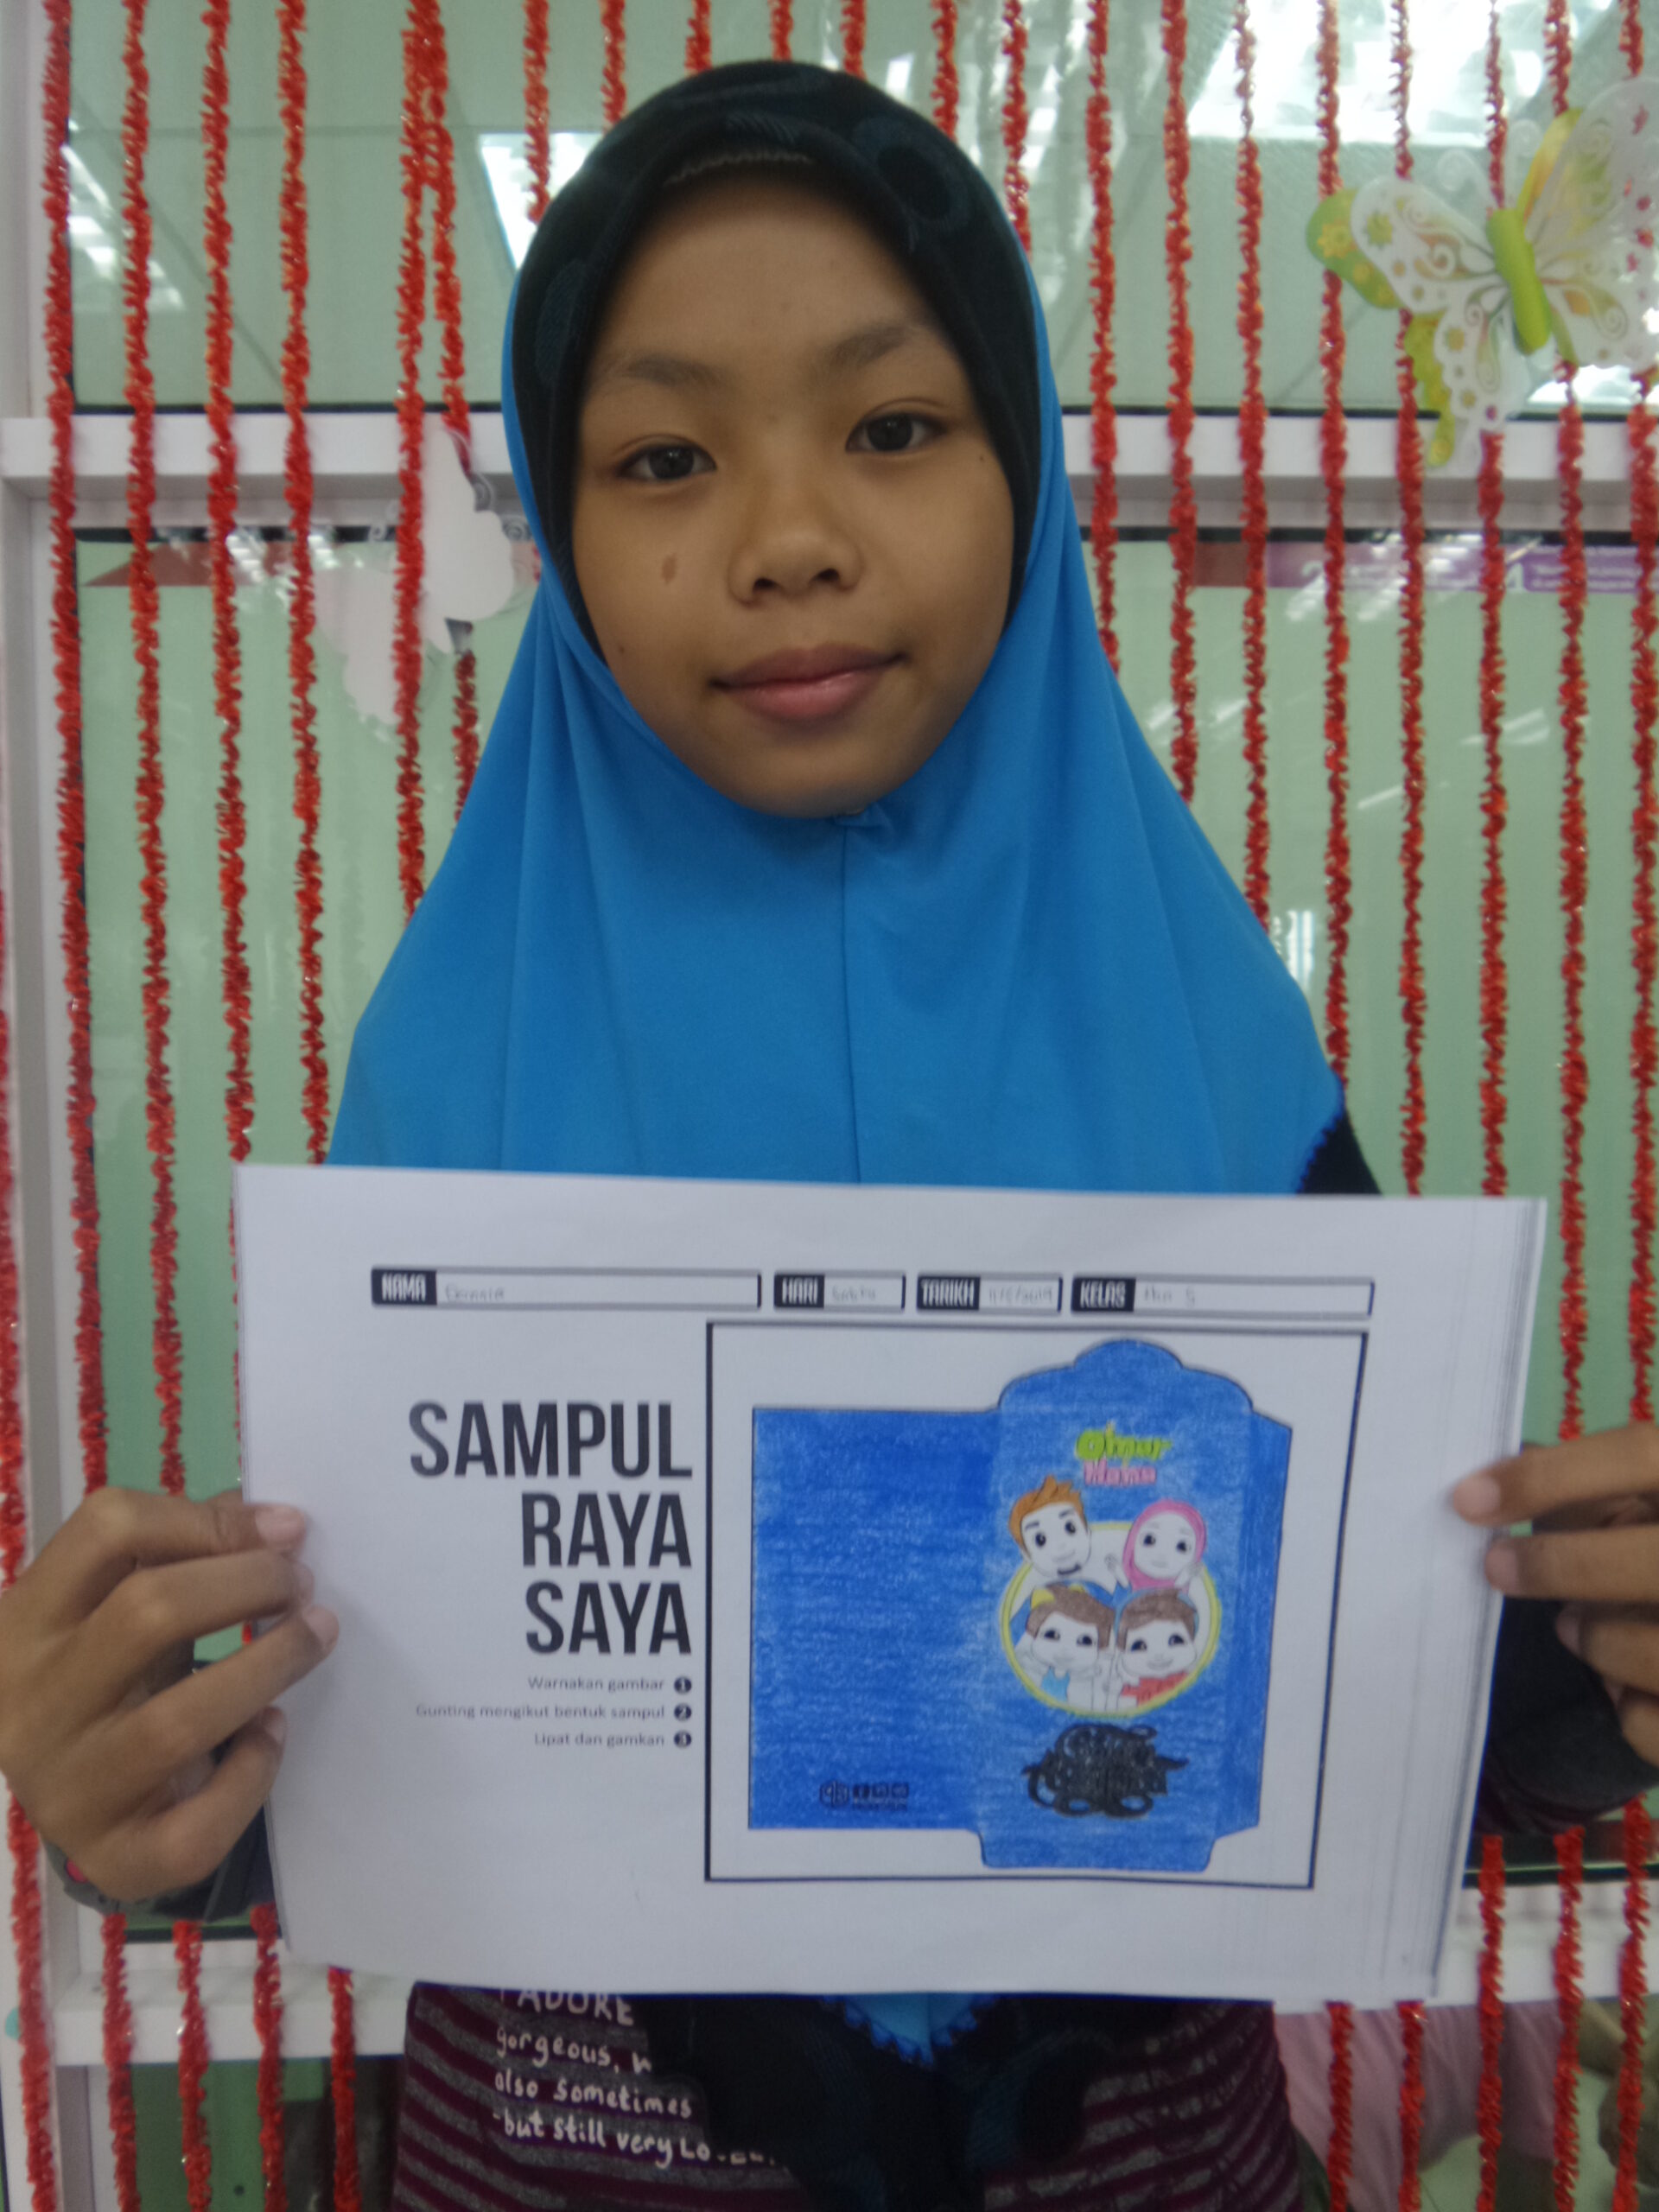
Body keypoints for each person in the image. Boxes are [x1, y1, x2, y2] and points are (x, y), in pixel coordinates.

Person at [1, 58, 1657, 2212]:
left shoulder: (1216, 1049)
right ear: (562, 524)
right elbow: (356, 1754)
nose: (788, 538)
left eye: (893, 426)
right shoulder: (448, 1080)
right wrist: (135, 1797)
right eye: (662, 456)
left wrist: (1601, 1670)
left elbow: (1405, 1744)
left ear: (1023, 470)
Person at [1112, 1591, 1200, 1710]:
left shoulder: (1194, 1684)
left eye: (1175, 1640)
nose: (1159, 1655)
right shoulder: (1131, 1692)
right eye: (1140, 1646)